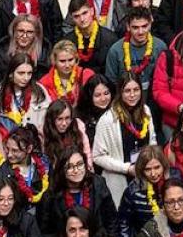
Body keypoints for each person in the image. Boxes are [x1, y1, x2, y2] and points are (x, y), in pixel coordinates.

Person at [92, 75, 158, 205]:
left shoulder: (146, 111)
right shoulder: (108, 119)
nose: (132, 95)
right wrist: (126, 168)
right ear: (120, 93)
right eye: (127, 91)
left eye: (136, 89)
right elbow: (98, 156)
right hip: (119, 180)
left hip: (145, 176)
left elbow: (152, 141)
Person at [38, 150, 118, 237]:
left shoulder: (98, 184)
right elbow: (44, 232)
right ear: (62, 170)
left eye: (80, 164)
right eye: (70, 167)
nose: (76, 170)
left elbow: (111, 219)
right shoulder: (51, 195)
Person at [116, 145, 171, 237]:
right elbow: (123, 226)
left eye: (157, 167)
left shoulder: (174, 181)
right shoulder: (133, 191)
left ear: (164, 166)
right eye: (148, 169)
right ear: (141, 170)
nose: (153, 173)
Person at [104, 7, 168, 95]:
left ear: (150, 24)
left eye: (144, 26)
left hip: (154, 99)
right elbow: (111, 82)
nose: (140, 32)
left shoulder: (160, 47)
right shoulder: (115, 50)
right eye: (135, 27)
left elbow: (167, 80)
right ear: (128, 27)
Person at [0, 53, 52, 131]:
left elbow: (48, 119)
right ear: (11, 74)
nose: (26, 78)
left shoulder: (40, 91)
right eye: (21, 73)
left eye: (29, 73)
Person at [0, 125, 52, 207]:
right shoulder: (2, 173)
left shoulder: (44, 163)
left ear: (29, 149)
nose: (9, 155)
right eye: (8, 149)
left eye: (15, 151)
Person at [0, 14, 51, 90]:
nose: (24, 36)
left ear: (36, 34)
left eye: (30, 32)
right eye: (21, 31)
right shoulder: (1, 52)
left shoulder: (45, 54)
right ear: (14, 31)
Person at [63, 0, 118, 78]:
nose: (82, 19)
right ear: (72, 19)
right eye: (76, 16)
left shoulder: (110, 38)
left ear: (92, 11)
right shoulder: (67, 41)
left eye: (84, 13)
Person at [38, 40, 93, 107]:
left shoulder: (87, 75)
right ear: (54, 61)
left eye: (70, 60)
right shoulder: (44, 83)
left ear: (76, 59)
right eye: (62, 61)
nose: (67, 65)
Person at [41, 98, 91, 164]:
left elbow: (87, 153)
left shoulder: (78, 126)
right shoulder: (43, 133)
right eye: (60, 119)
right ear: (51, 119)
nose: (64, 123)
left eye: (67, 118)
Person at [75, 74, 115, 154]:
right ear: (89, 96)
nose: (103, 99)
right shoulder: (80, 117)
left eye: (106, 93)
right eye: (97, 95)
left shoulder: (118, 111)